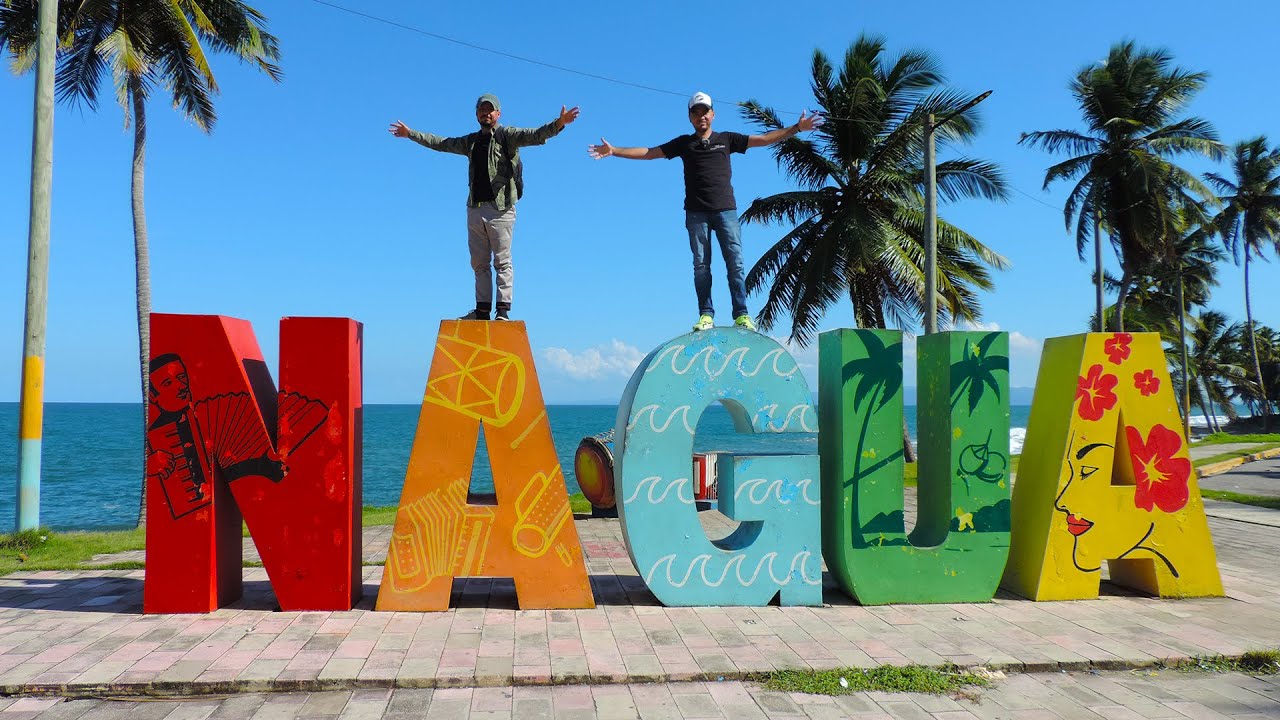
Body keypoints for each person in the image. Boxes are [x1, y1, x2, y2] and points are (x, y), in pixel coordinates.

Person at [588, 92, 821, 331]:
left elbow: (763, 139)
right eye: (696, 112)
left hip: (726, 211)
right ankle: (706, 315)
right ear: (690, 117)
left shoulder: (727, 139)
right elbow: (650, 153)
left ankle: (741, 314)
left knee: (735, 264)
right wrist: (615, 150)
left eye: (705, 111)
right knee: (701, 265)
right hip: (696, 214)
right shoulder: (684, 143)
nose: (701, 116)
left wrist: (796, 128)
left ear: (712, 114)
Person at [391, 94, 580, 320]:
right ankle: (482, 311)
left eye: (490, 110)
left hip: (501, 209)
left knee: (502, 261)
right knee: (479, 264)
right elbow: (441, 143)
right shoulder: (471, 142)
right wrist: (410, 134)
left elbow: (536, 135)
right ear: (476, 114)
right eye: (482, 109)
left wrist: (559, 123)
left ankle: (502, 312)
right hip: (475, 208)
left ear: (498, 114)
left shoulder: (506, 135)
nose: (486, 113)